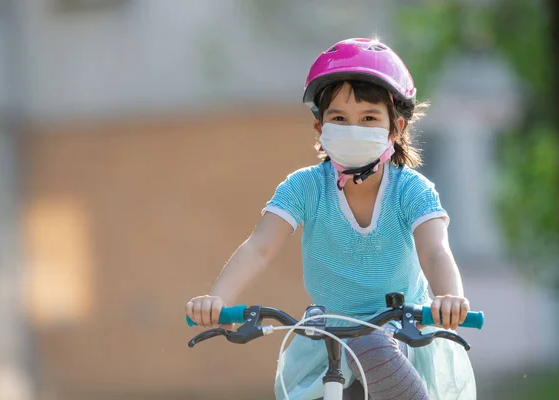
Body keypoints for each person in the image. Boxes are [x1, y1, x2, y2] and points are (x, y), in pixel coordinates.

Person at [186, 38, 476, 400]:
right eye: (339, 118)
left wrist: (449, 298)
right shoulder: (305, 187)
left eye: (369, 118)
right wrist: (217, 300)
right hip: (326, 337)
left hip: (400, 333)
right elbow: (260, 247)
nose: (353, 127)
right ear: (319, 127)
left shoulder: (411, 191)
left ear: (396, 127)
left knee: (375, 350)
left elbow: (434, 251)